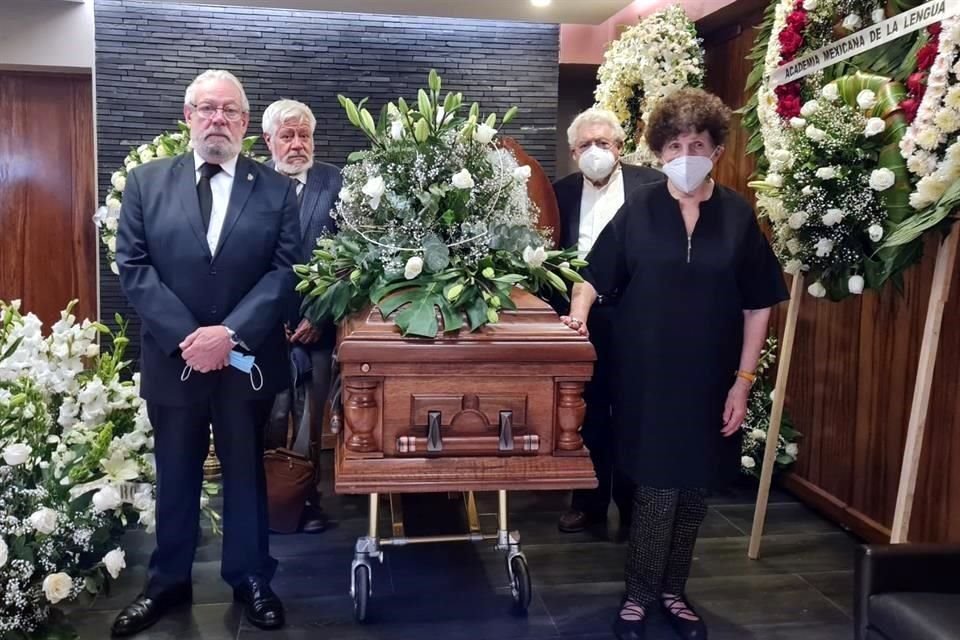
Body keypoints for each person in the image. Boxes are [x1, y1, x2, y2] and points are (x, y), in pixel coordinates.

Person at [560, 89, 788, 640]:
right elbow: (594, 274)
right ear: (660, 151)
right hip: (648, 377)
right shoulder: (637, 210)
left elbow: (758, 302)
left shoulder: (736, 215)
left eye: (698, 144)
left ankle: (673, 591)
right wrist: (577, 312)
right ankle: (639, 595)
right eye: (675, 144)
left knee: (693, 489)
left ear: (715, 150)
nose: (686, 153)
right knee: (657, 486)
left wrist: (744, 380)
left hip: (712, 379)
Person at [113, 69, 300, 636]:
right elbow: (134, 264)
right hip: (174, 359)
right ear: (188, 116)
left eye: (229, 111)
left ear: (245, 123)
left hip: (245, 360)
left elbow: (286, 268)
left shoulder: (274, 189)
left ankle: (251, 579)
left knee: (246, 471)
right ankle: (168, 582)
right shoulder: (146, 183)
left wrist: (230, 334)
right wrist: (188, 337)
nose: (217, 119)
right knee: (174, 473)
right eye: (206, 108)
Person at [552, 108, 663, 535]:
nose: (595, 151)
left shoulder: (650, 186)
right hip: (579, 319)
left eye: (604, 143)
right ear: (572, 151)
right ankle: (589, 501)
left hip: (636, 315)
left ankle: (635, 505)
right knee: (585, 412)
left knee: (635, 411)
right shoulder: (558, 194)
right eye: (585, 145)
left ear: (620, 147)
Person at [261, 98, 342, 533]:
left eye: (304, 135)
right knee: (269, 416)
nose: (297, 145)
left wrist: (320, 315)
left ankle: (307, 500)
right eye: (287, 136)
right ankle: (267, 500)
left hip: (319, 328)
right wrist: (270, 318)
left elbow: (353, 260)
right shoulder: (251, 182)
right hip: (265, 331)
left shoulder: (336, 182)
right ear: (268, 140)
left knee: (310, 421)